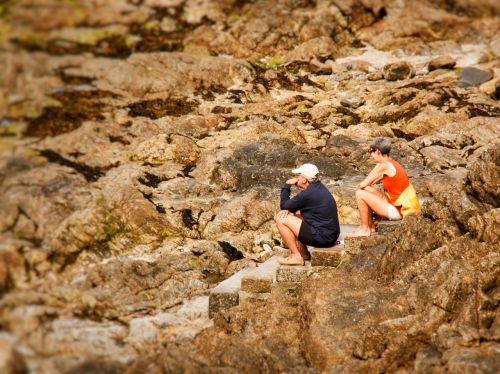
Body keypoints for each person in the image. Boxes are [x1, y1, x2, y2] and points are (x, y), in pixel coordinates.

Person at [348, 137, 421, 238]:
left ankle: (365, 229)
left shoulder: (385, 166)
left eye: (371, 152)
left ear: (378, 152)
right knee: (366, 190)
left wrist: (360, 188)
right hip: (395, 205)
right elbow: (369, 184)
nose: (370, 156)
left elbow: (362, 184)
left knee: (360, 194)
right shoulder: (391, 163)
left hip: (397, 211)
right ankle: (371, 226)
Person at [275, 163, 340, 265]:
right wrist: (289, 210)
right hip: (331, 235)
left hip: (323, 238)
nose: (295, 179)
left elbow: (284, 206)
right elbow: (291, 208)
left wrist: (287, 185)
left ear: (304, 179)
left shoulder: (308, 194)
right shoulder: (318, 187)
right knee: (295, 213)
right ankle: (303, 252)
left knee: (281, 218)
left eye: (297, 176)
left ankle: (296, 256)